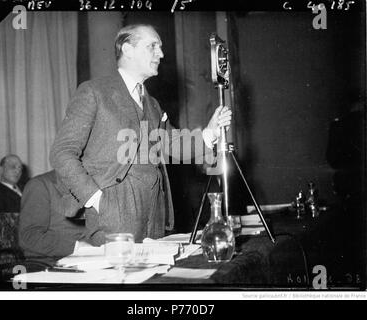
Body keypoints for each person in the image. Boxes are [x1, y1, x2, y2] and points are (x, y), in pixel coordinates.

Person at [49, 24, 232, 245]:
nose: (161, 54)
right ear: (127, 49)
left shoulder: (152, 104)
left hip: (155, 211)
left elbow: (171, 144)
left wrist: (209, 133)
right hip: (113, 209)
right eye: (153, 46)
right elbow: (62, 152)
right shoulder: (94, 92)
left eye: (161, 47)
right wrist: (96, 199)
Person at [18, 170, 90, 265]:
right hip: (49, 265)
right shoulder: (39, 185)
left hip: (87, 260)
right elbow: (29, 237)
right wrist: (77, 246)